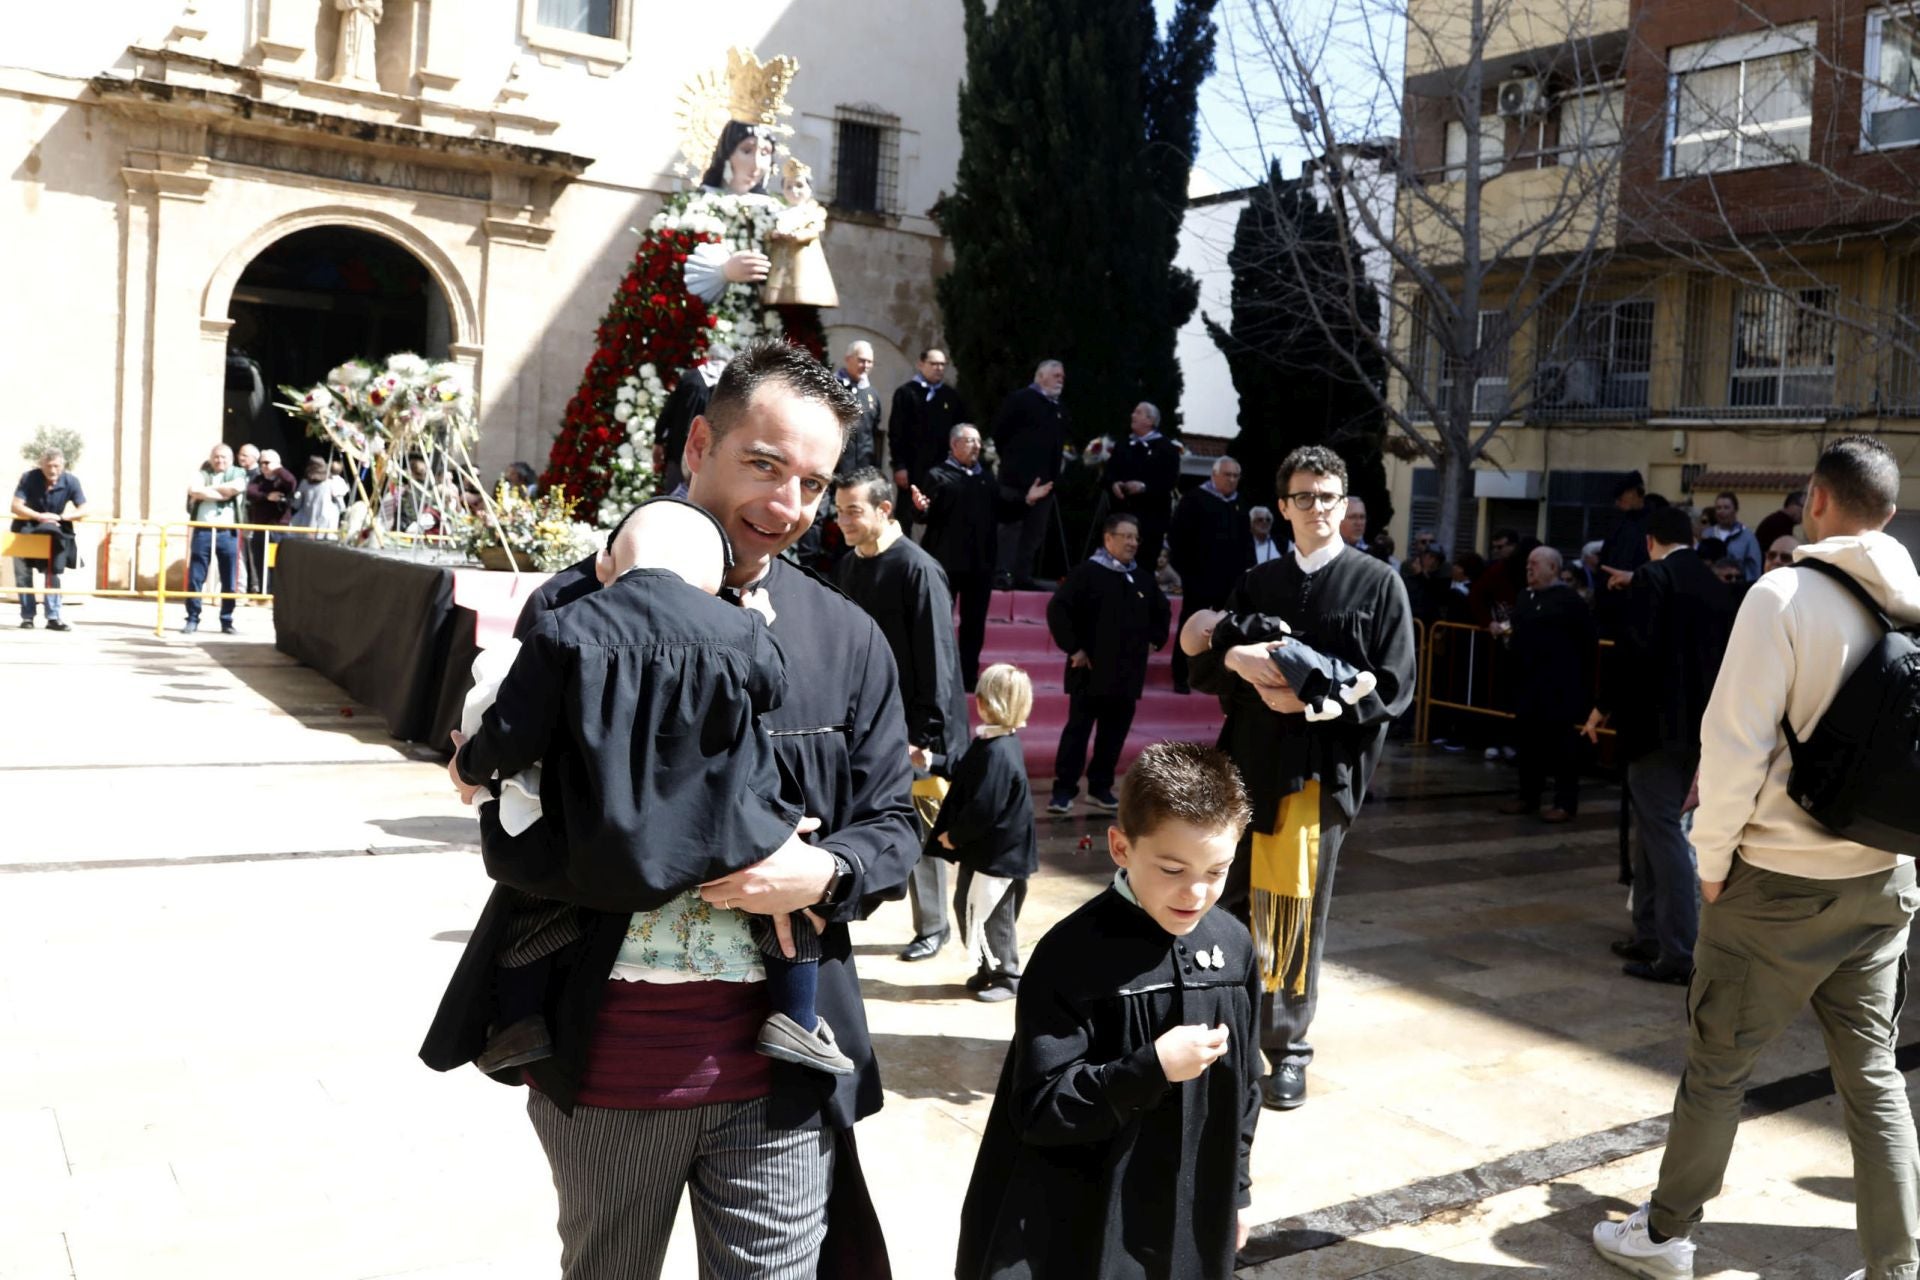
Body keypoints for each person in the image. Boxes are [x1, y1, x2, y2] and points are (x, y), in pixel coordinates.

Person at [420, 341, 919, 1279]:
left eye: (812, 486)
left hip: (783, 1066)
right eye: (763, 466)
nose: (786, 508)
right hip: (609, 1064)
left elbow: (896, 825)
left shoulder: (845, 639)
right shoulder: (571, 609)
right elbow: (506, 795)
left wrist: (825, 871)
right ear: (698, 445)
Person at [1592, 435, 1920, 1280]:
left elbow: (1732, 748)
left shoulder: (1783, 597)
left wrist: (1709, 864)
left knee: (1719, 1066)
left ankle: (1665, 1237)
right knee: (1874, 1078)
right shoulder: (1914, 600)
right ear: (1888, 511)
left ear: (1815, 498)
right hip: (1884, 876)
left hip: (1779, 882)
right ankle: (1896, 1266)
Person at [451, 500, 850, 1078]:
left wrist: (468, 769)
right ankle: (795, 1018)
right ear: (713, 579)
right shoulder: (739, 629)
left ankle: (518, 1024)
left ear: (607, 562)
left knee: (529, 900)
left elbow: (511, 735)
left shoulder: (563, 628)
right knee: (786, 903)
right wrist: (756, 625)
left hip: (591, 845)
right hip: (718, 843)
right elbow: (773, 689)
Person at [955, 741, 1260, 1280]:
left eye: (1217, 871)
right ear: (1120, 847)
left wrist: (1236, 1192)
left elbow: (1245, 1089)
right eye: (1171, 868)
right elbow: (1040, 1107)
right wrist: (1152, 1069)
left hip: (1192, 1212)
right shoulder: (1071, 955)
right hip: (1093, 1216)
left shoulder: (1233, 949)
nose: (1195, 892)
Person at [1183, 445, 1417, 1111]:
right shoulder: (1258, 584)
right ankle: (1214, 1027)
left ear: (1345, 506)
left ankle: (1287, 1051)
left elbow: (1395, 689)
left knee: (1293, 914)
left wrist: (1318, 701)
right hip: (1246, 766)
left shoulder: (1378, 584)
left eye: (1329, 497)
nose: (1317, 508)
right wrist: (1235, 656)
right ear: (1282, 506)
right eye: (1304, 497)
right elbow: (1208, 670)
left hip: (1320, 777)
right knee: (1221, 899)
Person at [1583, 504, 1735, 986]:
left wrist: (1602, 706)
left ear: (1650, 541)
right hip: (1700, 731)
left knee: (1665, 833)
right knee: (1656, 831)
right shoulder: (1715, 586)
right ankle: (1649, 934)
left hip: (1654, 730)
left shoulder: (1652, 579)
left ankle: (1679, 949)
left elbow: (1633, 654)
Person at [833, 467, 970, 964]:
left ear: (883, 510)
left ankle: (933, 926)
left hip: (917, 731)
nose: (841, 519)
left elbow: (939, 659)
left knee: (923, 830)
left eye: (852, 511)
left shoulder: (918, 568)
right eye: (839, 509)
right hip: (870, 720)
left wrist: (926, 738)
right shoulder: (850, 565)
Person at [924, 663, 1038, 1003]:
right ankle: (988, 965)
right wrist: (931, 760)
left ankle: (1007, 974)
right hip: (988, 853)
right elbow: (965, 770)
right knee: (968, 905)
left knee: (993, 913)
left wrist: (954, 836)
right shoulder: (992, 742)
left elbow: (984, 808)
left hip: (1000, 856)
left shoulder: (1000, 753)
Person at [1044, 513, 1171, 815]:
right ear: (1108, 538)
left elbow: (1161, 611)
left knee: (1114, 734)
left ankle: (1100, 787)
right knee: (1078, 732)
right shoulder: (1087, 573)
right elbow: (1058, 609)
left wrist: (1156, 640)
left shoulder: (1142, 577)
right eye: (1126, 536)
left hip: (1127, 673)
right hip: (1088, 671)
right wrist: (1074, 647)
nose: (1132, 543)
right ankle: (1063, 790)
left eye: (1135, 538)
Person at [1495, 546, 1595, 823]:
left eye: (1535, 564)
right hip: (1529, 685)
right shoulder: (1524, 597)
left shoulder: (1570, 601)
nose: (1529, 568)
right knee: (1528, 744)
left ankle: (1565, 802)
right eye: (1528, 563)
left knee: (1562, 747)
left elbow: (1587, 644)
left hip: (1560, 687)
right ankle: (1528, 795)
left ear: (1553, 568)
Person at [916, 423, 1002, 690]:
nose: (977, 446)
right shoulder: (938, 475)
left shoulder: (986, 479)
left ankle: (967, 677)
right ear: (954, 445)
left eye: (978, 441)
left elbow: (1002, 509)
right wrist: (921, 509)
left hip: (980, 565)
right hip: (946, 563)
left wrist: (1027, 500)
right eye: (970, 441)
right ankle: (937, 676)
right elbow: (925, 513)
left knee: (974, 624)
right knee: (939, 622)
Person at [1167, 456, 1250, 694]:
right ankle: (1181, 675)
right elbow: (1177, 540)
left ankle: (1217, 677)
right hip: (1199, 581)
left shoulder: (1240, 504)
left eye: (1236, 476)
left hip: (1230, 583)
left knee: (1226, 629)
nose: (1232, 480)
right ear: (1214, 475)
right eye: (1227, 475)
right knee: (1191, 626)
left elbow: (1246, 545)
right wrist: (1188, 574)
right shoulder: (1194, 500)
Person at [992, 359, 1067, 588]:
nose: (1061, 380)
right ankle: (1002, 574)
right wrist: (1016, 466)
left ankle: (1022, 575)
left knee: (1034, 534)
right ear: (1040, 375)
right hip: (1016, 482)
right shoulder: (1020, 399)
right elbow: (1000, 433)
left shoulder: (1058, 409)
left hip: (1045, 485)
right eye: (1056, 375)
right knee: (1010, 528)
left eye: (1062, 376)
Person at [887, 348, 969, 537]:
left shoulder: (950, 396)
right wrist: (899, 465)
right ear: (921, 364)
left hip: (941, 469)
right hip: (912, 467)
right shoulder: (906, 393)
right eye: (933, 364)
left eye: (942, 364)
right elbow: (896, 432)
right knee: (906, 516)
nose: (938, 368)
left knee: (940, 515)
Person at [10, 447, 88, 632]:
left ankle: (53, 618)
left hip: (54, 531)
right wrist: (39, 516)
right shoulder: (28, 477)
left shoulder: (71, 481)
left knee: (53, 574)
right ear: (41, 465)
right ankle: (27, 617)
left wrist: (62, 517)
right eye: (48, 465)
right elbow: (15, 505)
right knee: (23, 575)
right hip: (26, 530)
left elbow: (84, 508)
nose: (52, 470)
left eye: (56, 466)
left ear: (62, 466)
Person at [1102, 402, 1182, 568]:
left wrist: (1144, 487)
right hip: (1121, 514)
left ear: (1150, 420)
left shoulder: (1167, 448)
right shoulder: (1123, 444)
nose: (1133, 415)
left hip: (1150, 519)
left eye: (1138, 413)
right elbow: (1109, 472)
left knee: (1144, 565)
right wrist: (1113, 484)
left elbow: (1169, 481)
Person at [185, 442, 247, 635]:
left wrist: (208, 492)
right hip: (203, 530)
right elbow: (194, 490)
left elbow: (235, 488)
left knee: (229, 577)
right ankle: (192, 617)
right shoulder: (201, 473)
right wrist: (222, 493)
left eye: (224, 457)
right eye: (216, 457)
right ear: (211, 458)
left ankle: (227, 620)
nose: (219, 461)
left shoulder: (238, 473)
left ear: (231, 459)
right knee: (196, 576)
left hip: (227, 532)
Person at [653, 348, 728, 496]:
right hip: (707, 455)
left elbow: (669, 410)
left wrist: (658, 440)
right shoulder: (728, 387)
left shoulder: (690, 377)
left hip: (678, 447)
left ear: (709, 357)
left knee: (674, 497)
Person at [244, 448, 296, 594]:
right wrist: (267, 496)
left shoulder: (282, 479)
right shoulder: (258, 480)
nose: (264, 466)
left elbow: (291, 483)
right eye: (261, 463)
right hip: (261, 529)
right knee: (261, 562)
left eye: (267, 462)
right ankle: (264, 593)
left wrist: (278, 469)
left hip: (278, 529)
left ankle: (277, 594)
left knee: (277, 564)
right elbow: (251, 492)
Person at [832, 340, 883, 477]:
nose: (866, 366)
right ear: (848, 359)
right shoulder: (832, 387)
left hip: (863, 468)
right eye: (861, 360)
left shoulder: (872, 394)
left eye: (869, 362)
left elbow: (873, 430)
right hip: (835, 466)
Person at [1706, 491, 1762, 582]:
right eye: (1718, 508)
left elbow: (1754, 567)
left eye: (1726, 508)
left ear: (1735, 510)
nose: (1722, 511)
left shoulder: (1747, 537)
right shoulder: (1707, 534)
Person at [290, 456, 348, 536]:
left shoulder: (304, 483)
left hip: (306, 524)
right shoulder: (332, 483)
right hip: (326, 525)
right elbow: (341, 506)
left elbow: (296, 504)